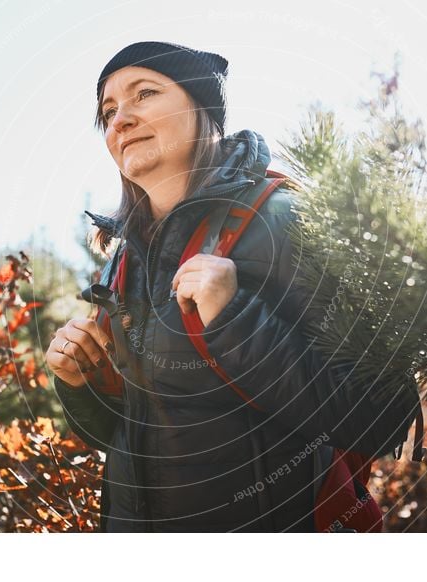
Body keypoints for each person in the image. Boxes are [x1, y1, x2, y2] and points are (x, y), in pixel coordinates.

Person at [45, 41, 378, 532]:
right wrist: (77, 383)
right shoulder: (122, 261)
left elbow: (376, 412)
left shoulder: (283, 220)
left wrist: (236, 321)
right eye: (109, 111)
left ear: (203, 109)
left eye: (145, 94)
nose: (120, 120)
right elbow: (134, 438)